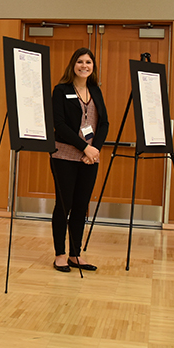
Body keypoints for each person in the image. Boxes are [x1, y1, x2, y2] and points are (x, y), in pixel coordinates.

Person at [50, 47, 109, 272]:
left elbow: (104, 123)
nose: (84, 66)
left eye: (88, 62)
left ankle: (75, 253)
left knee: (81, 206)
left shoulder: (96, 91)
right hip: (64, 155)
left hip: (89, 158)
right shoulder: (61, 90)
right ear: (73, 64)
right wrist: (85, 147)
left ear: (93, 67)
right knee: (63, 205)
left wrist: (94, 150)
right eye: (80, 62)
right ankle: (60, 254)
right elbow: (60, 125)